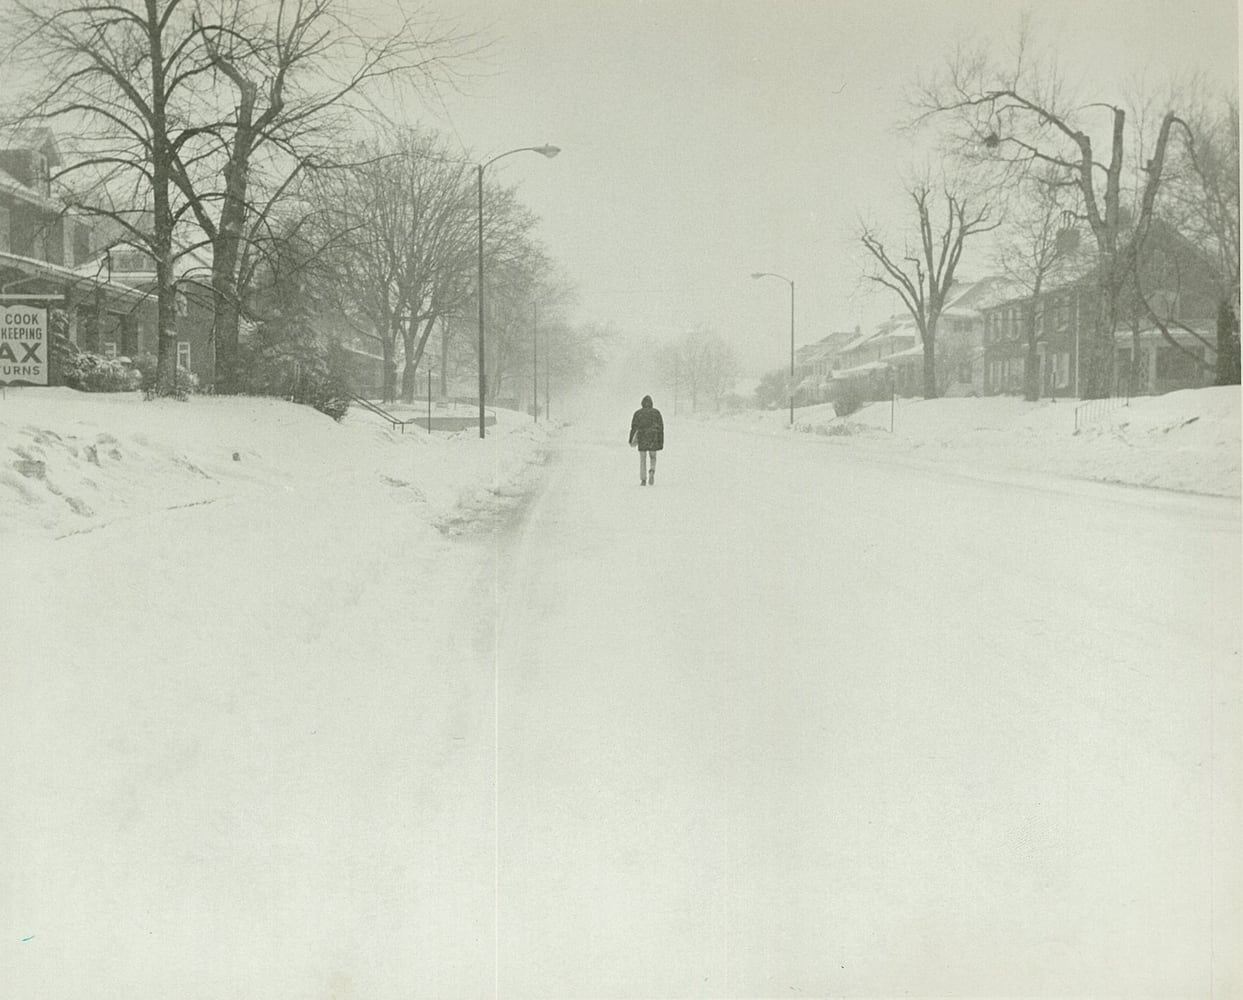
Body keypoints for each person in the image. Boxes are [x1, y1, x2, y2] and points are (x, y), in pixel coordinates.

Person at [628, 394, 664, 485]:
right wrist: (661, 441)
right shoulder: (656, 413)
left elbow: (634, 427)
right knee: (653, 457)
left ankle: (643, 479)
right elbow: (661, 428)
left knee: (642, 459)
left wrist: (631, 439)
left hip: (643, 437)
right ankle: (652, 470)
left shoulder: (638, 413)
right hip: (653, 437)